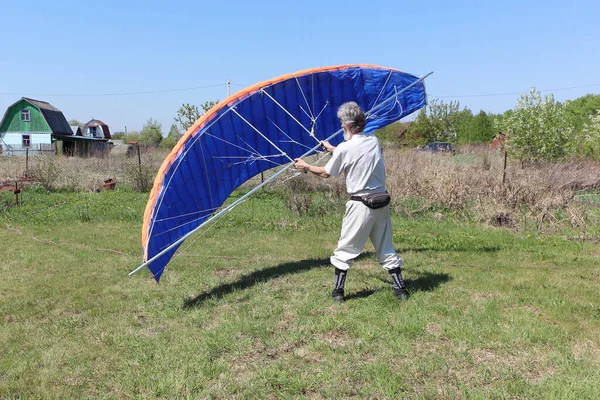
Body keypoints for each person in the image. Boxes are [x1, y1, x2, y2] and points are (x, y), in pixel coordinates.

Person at [293, 101, 408, 302]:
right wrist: (333, 150)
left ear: (347, 124)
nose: (340, 126)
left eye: (341, 123)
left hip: (361, 205)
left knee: (346, 249)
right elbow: (355, 154)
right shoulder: (373, 141)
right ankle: (401, 291)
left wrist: (305, 166)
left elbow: (327, 174)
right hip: (381, 201)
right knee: (386, 248)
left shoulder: (346, 148)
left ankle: (338, 293)